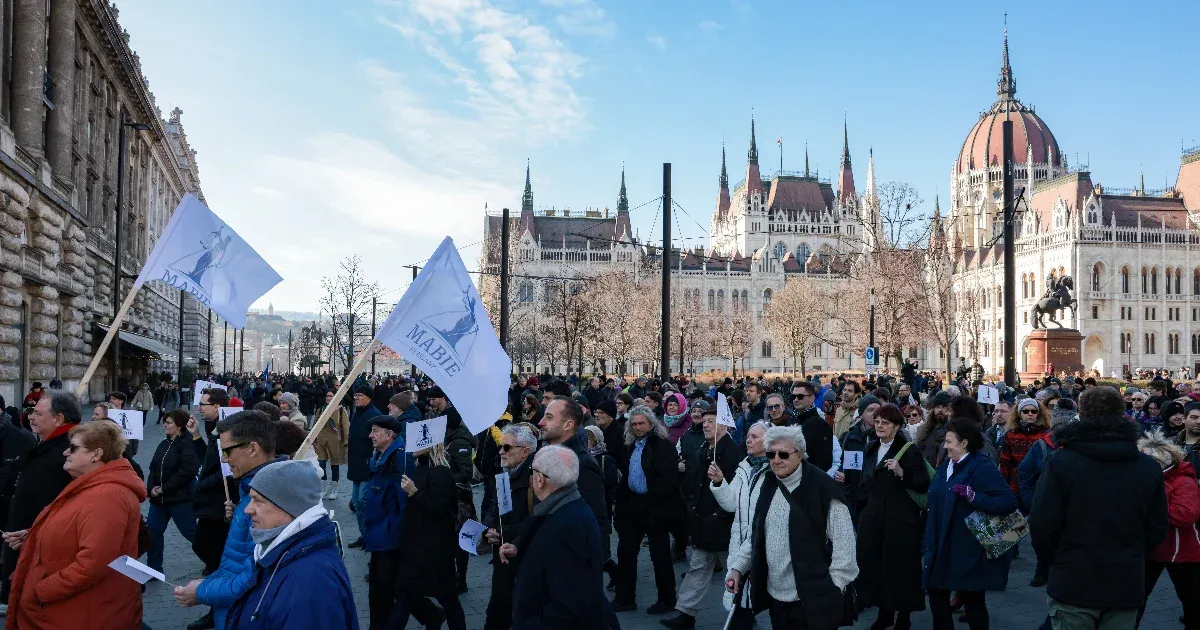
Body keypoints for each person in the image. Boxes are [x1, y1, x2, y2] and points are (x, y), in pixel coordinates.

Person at [1031, 386, 1169, 629]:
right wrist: (1134, 551)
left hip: (1073, 577)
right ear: (1121, 412)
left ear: (1082, 414)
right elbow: (1157, 525)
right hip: (1125, 579)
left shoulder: (1061, 462)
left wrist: (1057, 560)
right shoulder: (1148, 467)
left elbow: (1043, 523)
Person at [5, 421, 145, 628]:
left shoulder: (108, 496)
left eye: (74, 448)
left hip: (81, 613)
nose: (65, 453)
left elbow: (92, 563)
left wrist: (40, 590)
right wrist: (34, 537)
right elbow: (77, 527)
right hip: (70, 610)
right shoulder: (89, 485)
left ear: (96, 454)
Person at [725, 424, 858, 629]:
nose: (776, 460)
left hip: (812, 598)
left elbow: (845, 544)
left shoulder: (823, 488)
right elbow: (757, 534)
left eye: (784, 454)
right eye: (771, 454)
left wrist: (834, 586)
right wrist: (738, 568)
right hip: (776, 596)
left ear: (800, 454)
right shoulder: (769, 483)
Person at [174, 410, 287, 630]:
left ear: (253, 448)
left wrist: (202, 591)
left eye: (227, 451)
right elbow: (240, 558)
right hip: (233, 613)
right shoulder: (252, 490)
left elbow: (254, 577)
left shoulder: (271, 499)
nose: (224, 459)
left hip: (244, 614)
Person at [225, 460, 359, 629]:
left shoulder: (310, 582)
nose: (248, 510)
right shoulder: (285, 553)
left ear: (288, 506)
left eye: (257, 500)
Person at [922, 418, 1017, 630]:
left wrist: (975, 497)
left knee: (973, 600)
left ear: (964, 443)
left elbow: (1008, 502)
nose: (945, 446)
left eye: (949, 442)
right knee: (936, 595)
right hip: (939, 543)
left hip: (967, 548)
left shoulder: (981, 467)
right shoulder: (946, 465)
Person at [499, 445, 607, 628]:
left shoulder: (563, 525)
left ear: (540, 479)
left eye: (532, 471)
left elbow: (568, 602)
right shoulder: (567, 508)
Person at [660, 407, 744, 629]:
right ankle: (685, 613)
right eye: (704, 421)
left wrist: (721, 515)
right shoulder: (705, 448)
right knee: (697, 568)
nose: (705, 425)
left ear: (724, 424)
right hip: (703, 522)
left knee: (736, 571)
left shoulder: (732, 452)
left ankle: (743, 612)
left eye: (711, 421)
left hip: (724, 525)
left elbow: (737, 491)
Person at [0, 391, 79, 612]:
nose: (30, 417)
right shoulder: (45, 446)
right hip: (24, 541)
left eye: (37, 413)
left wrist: (33, 535)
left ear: (58, 419)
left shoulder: (66, 455)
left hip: (39, 552)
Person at [856, 404, 931, 630]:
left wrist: (902, 474)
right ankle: (884, 613)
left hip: (901, 522)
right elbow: (865, 481)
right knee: (877, 568)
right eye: (877, 421)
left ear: (897, 426)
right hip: (874, 519)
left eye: (885, 423)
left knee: (902, 571)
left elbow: (922, 483)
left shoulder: (909, 449)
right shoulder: (870, 447)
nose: (880, 425)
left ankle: (904, 616)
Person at [613, 405, 684, 614]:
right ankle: (625, 598)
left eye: (641, 423)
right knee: (625, 553)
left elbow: (669, 479)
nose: (637, 427)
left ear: (651, 424)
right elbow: (625, 475)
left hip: (656, 508)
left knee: (659, 556)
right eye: (634, 424)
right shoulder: (630, 445)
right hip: (632, 506)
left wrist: (651, 499)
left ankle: (667, 600)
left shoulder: (663, 446)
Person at [387, 443, 465, 630]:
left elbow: (438, 509)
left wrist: (414, 492)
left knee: (448, 598)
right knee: (405, 595)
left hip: (435, 549)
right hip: (415, 546)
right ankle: (433, 618)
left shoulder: (440, 472)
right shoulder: (418, 467)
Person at [1135, 430, 1200, 628]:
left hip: (1183, 552)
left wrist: (1148, 509)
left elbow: (1185, 514)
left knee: (1193, 600)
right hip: (1151, 549)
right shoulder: (1141, 480)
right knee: (1135, 598)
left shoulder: (1184, 481)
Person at [708, 421, 769, 629]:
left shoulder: (776, 469)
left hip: (762, 544)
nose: (748, 440)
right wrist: (719, 482)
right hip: (740, 542)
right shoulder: (745, 466)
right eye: (748, 436)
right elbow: (731, 504)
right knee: (740, 601)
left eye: (755, 437)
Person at [186, 386, 238, 630]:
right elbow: (207, 461)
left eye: (203, 404)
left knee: (208, 548)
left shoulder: (227, 430)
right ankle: (218, 599)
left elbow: (225, 471)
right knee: (205, 548)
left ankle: (220, 601)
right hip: (210, 500)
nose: (199, 408)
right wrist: (196, 436)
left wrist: (201, 485)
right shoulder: (213, 428)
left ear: (217, 407)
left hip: (220, 502)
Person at [482, 424, 537, 630]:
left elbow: (538, 520)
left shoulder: (537, 477)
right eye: (501, 446)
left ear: (525, 451)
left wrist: (511, 540)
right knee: (498, 610)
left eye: (506, 447)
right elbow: (494, 509)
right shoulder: (506, 473)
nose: (501, 452)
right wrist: (489, 530)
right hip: (503, 556)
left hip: (524, 557)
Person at [362, 414, 409, 630]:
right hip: (378, 533)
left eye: (375, 431)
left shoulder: (399, 458)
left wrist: (395, 533)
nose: (370, 435)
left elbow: (404, 502)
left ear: (389, 435)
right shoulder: (380, 456)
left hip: (388, 537)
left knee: (385, 591)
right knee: (378, 589)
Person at [146, 408, 201, 574]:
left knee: (191, 533)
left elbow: (187, 470)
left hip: (180, 499)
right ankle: (154, 570)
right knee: (153, 534)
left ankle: (216, 560)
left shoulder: (187, 442)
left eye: (169, 423)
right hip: (158, 501)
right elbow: (153, 469)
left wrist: (165, 488)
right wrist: (151, 489)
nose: (165, 426)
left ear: (179, 425)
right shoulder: (164, 443)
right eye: (164, 422)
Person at [438, 388, 478, 594]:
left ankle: (461, 580)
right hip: (452, 496)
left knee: (461, 541)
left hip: (460, 499)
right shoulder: (451, 437)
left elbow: (466, 473)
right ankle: (454, 576)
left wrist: (445, 479)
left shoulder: (460, 442)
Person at [347, 385, 383, 548]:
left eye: (359, 396)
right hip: (356, 463)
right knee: (356, 502)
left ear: (369, 397)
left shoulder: (375, 415)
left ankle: (372, 534)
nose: (356, 399)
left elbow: (380, 440)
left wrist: (373, 459)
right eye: (355, 396)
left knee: (363, 500)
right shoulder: (357, 413)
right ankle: (364, 535)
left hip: (368, 464)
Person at [998, 398, 1051, 499]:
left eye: (1034, 411)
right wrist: (1004, 487)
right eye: (1026, 411)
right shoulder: (1010, 435)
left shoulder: (1046, 434)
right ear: (1019, 414)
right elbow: (1005, 463)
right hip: (1015, 486)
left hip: (1038, 486)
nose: (1030, 414)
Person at [313, 389, 351, 501]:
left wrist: (346, 441)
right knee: (321, 464)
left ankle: (334, 489)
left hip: (335, 441)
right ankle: (324, 488)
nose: (328, 398)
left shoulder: (340, 410)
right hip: (321, 440)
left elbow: (345, 426)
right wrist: (314, 439)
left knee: (335, 465)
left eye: (330, 396)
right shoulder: (321, 410)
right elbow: (315, 424)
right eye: (327, 396)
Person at [793, 381, 833, 472]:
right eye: (793, 396)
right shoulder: (792, 420)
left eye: (800, 396)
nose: (796, 399)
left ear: (811, 399)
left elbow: (823, 461)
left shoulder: (819, 424)